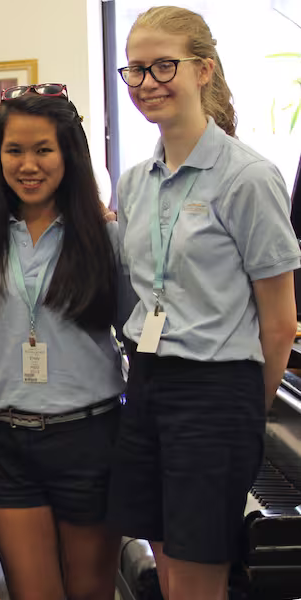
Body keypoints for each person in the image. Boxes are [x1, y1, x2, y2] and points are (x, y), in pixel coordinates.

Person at [108, 7, 301, 600]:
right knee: (167, 568)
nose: (147, 82)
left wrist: (241, 410)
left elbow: (280, 323)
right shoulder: (135, 181)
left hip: (216, 390)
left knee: (200, 577)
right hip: (146, 380)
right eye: (135, 69)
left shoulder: (247, 177)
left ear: (204, 70)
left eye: (164, 66)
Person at [0, 87, 124, 600]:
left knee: (90, 592)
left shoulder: (105, 239)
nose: (28, 165)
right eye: (14, 150)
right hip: (8, 442)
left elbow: (138, 335)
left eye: (43, 149)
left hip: (90, 437)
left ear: (69, 154)